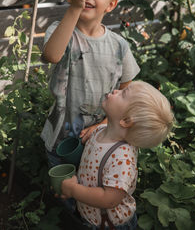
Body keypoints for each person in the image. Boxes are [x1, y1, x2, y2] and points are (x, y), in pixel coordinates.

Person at [40, 0, 140, 167]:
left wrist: (104, 124)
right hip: (61, 137)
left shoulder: (119, 46)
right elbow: (52, 56)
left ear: (111, 4)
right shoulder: (60, 31)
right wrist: (75, 7)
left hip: (103, 138)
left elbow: (127, 94)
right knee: (64, 189)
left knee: (92, 186)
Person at [60, 80, 174, 230]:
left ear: (126, 120)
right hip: (92, 216)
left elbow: (108, 200)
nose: (116, 91)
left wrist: (74, 190)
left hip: (110, 224)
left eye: (123, 94)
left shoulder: (122, 158)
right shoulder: (100, 130)